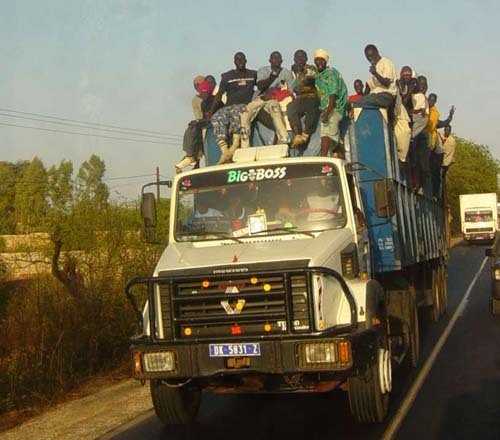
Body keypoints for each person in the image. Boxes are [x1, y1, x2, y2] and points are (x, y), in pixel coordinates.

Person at [209, 52, 257, 163]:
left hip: (244, 105)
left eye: (242, 59)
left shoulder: (253, 74)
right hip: (229, 106)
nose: (240, 62)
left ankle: (235, 145)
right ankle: (225, 150)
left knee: (237, 114)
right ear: (234, 62)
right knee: (217, 117)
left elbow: (261, 86)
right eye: (237, 60)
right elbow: (219, 94)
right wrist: (211, 111)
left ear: (245, 60)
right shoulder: (227, 76)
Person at [240, 51, 293, 148]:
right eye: (274, 58)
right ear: (270, 60)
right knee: (245, 113)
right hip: (260, 98)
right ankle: (245, 145)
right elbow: (260, 86)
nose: (276, 60)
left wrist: (275, 95)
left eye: (278, 58)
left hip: (275, 99)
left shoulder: (286, 73)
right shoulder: (263, 70)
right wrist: (272, 77)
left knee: (275, 111)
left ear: (281, 60)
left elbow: (289, 92)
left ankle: (284, 138)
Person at [176, 80, 223, 170]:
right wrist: (197, 122)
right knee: (192, 130)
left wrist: (198, 122)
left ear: (209, 92)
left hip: (218, 124)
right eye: (202, 94)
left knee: (197, 130)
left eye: (205, 93)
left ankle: (193, 158)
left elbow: (212, 118)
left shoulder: (216, 101)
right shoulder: (203, 103)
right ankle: (190, 156)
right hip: (207, 124)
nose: (204, 96)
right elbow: (205, 118)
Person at [313, 48, 348, 158]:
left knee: (325, 137)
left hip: (334, 109)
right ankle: (344, 168)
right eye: (317, 60)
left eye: (322, 60)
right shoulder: (318, 75)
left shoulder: (330, 73)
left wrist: (327, 112)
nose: (319, 62)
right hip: (327, 109)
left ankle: (322, 163)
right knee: (335, 143)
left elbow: (333, 95)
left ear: (326, 61)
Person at [287, 50, 321, 148]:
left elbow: (314, 75)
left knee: (312, 107)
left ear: (306, 59)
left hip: (312, 96)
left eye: (302, 57)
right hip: (299, 98)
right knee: (290, 108)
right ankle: (298, 135)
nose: (300, 59)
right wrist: (296, 74)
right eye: (297, 57)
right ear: (294, 59)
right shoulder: (292, 72)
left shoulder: (311, 68)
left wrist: (303, 71)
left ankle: (306, 134)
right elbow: (292, 87)